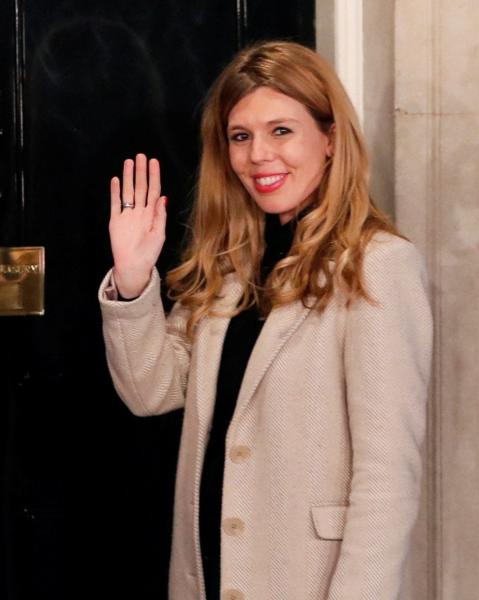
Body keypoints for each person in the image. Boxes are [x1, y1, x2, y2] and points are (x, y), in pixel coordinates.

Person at [99, 41, 431, 599]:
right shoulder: (230, 265)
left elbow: (387, 479)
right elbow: (149, 391)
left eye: (282, 131)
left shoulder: (378, 266)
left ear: (329, 140)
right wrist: (133, 281)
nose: (258, 156)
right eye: (241, 136)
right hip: (208, 576)